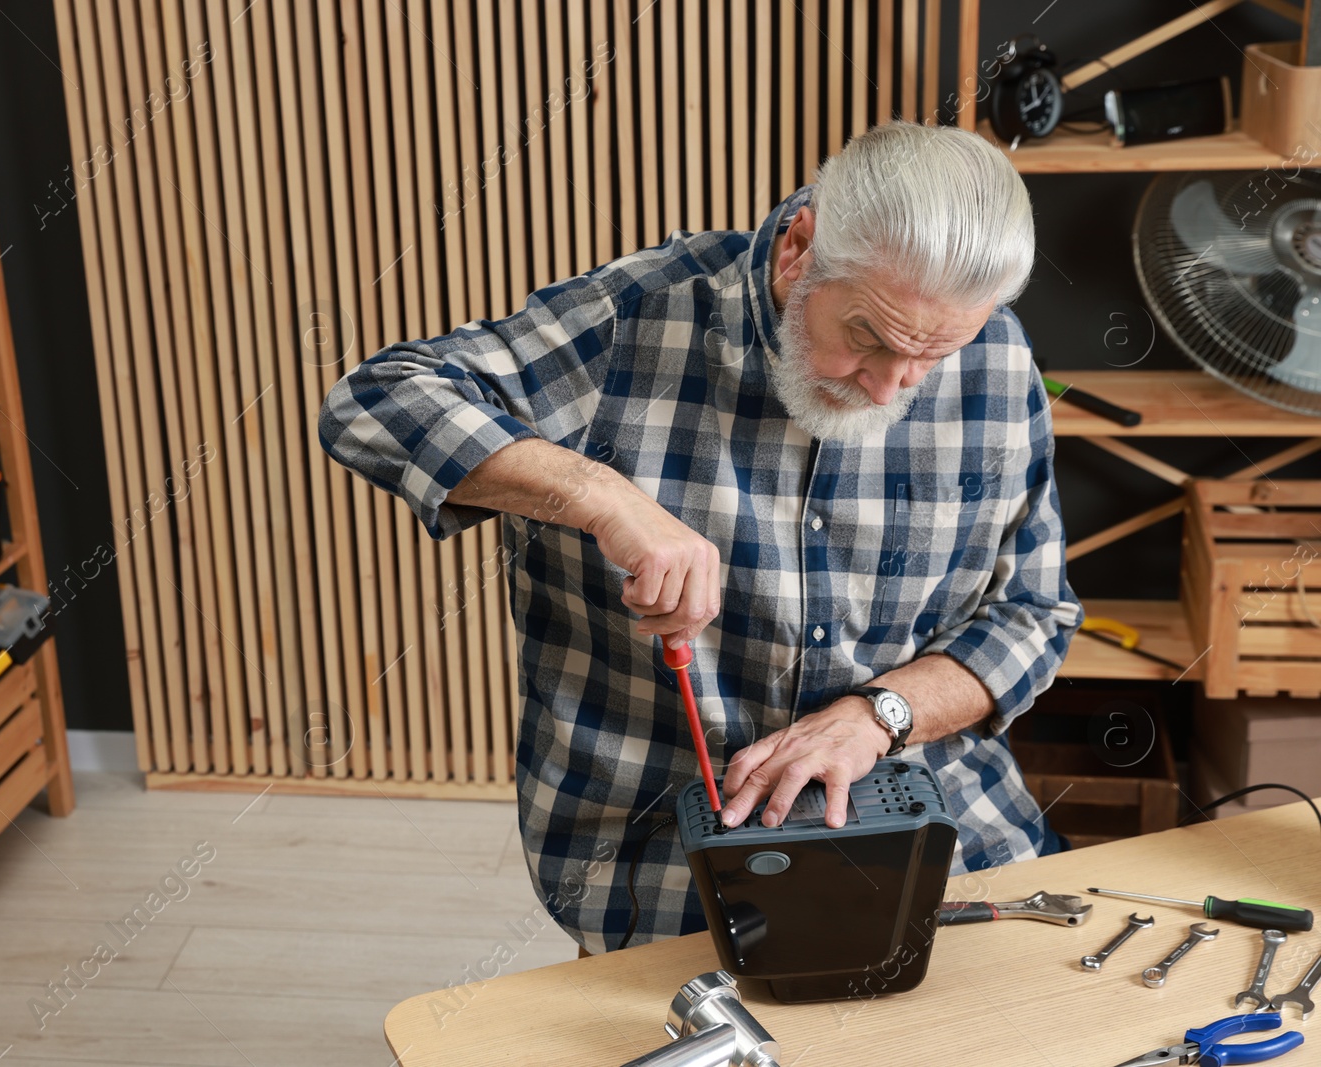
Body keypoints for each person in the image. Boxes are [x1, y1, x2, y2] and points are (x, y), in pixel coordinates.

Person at [318, 119, 1082, 955]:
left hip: (942, 832)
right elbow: (376, 400)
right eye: (870, 337)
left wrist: (880, 715)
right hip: (664, 864)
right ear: (801, 249)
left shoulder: (999, 360)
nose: (891, 387)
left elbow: (1033, 614)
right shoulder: (640, 317)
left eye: (933, 358)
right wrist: (599, 493)